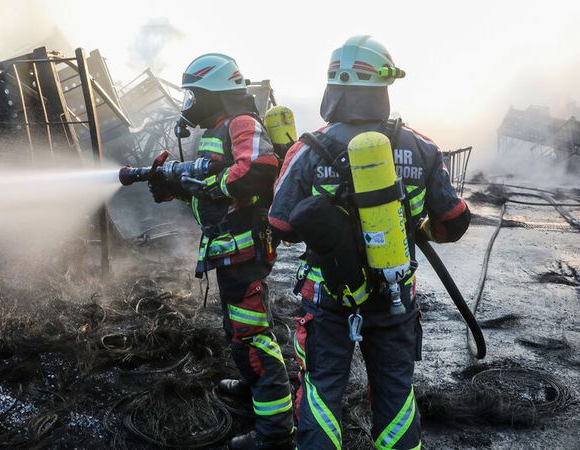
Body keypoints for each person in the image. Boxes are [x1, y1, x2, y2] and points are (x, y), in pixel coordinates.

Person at [269, 36, 471, 449]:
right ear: (383, 86)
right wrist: (414, 229)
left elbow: (280, 224)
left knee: (322, 395)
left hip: (328, 297)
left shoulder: (305, 150)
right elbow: (454, 221)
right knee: (396, 398)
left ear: (334, 87)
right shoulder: (422, 146)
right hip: (395, 294)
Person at [148, 53, 295, 450]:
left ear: (214, 93)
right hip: (229, 250)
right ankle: (257, 392)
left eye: (192, 95)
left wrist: (206, 186)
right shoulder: (218, 128)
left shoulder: (242, 122)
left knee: (251, 336)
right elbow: (215, 178)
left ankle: (275, 432)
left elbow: (258, 169)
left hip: (245, 250)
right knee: (236, 330)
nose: (188, 104)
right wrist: (175, 186)